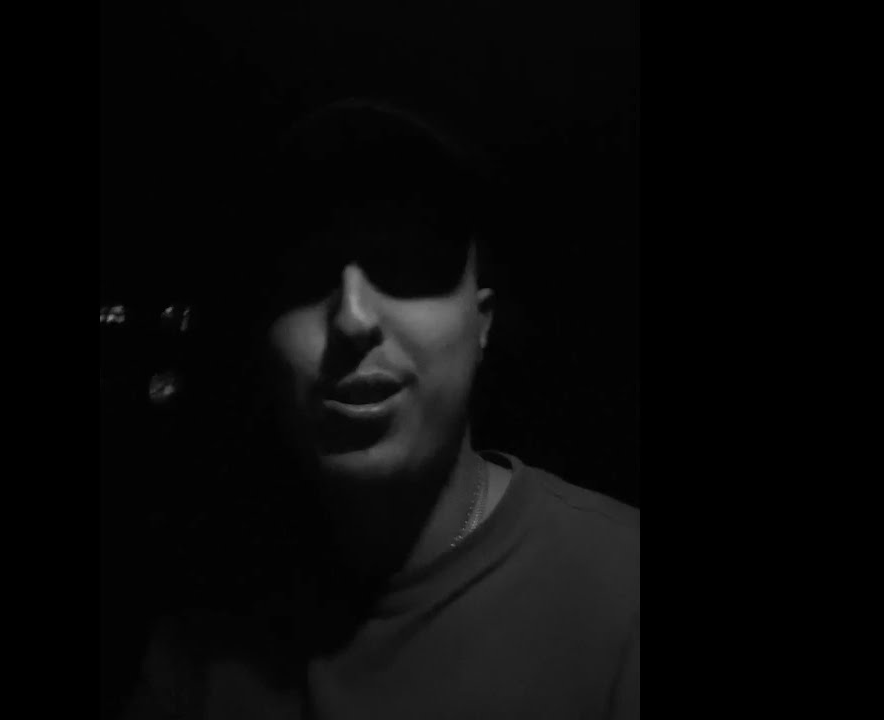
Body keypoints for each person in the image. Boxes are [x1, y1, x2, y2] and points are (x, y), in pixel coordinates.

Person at [120, 99, 639, 719]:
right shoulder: (204, 620)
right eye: (305, 274)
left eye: (408, 264)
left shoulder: (623, 592)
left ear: (482, 324)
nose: (353, 318)